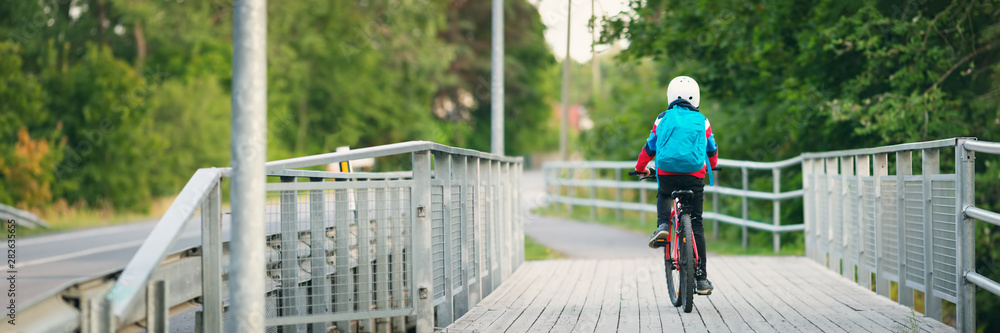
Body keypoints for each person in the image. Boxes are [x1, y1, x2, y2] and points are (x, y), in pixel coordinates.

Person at [635, 76, 718, 295]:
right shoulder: (703, 120)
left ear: (670, 96)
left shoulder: (662, 118)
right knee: (697, 223)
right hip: (694, 176)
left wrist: (641, 166)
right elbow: (712, 149)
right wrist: (713, 165)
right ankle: (701, 279)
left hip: (667, 174)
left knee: (664, 194)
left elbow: (649, 147)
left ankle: (663, 226)